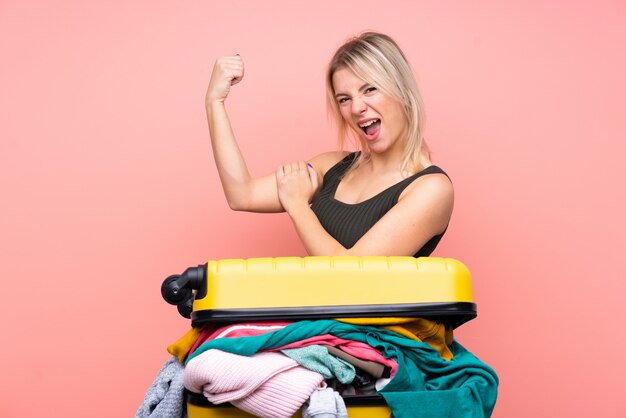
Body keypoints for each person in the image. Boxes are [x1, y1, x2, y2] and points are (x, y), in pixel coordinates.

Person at [205, 32, 453, 257]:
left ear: (402, 90)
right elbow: (242, 195)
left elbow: (349, 274)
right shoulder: (332, 166)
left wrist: (299, 206)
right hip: (310, 306)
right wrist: (214, 102)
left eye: (370, 89)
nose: (356, 108)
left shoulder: (431, 189)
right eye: (344, 99)